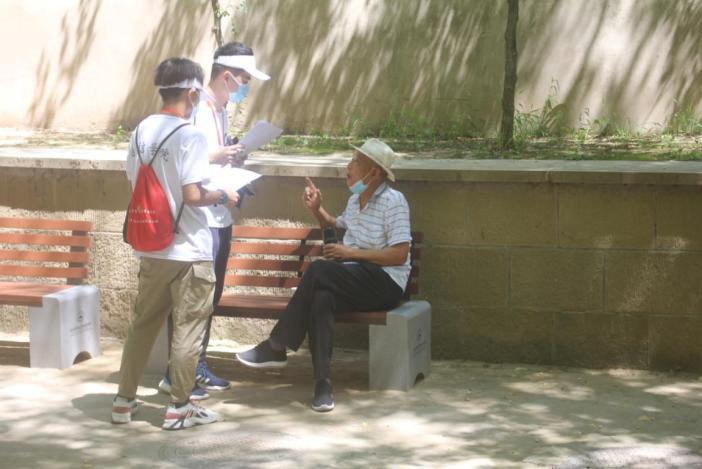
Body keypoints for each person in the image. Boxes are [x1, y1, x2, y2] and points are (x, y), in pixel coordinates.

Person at [236, 138, 411, 412]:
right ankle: (322, 385)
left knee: (318, 269)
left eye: (355, 162)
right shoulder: (355, 200)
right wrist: (317, 209)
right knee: (321, 298)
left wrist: (352, 253)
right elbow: (334, 227)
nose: (348, 167)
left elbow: (400, 254)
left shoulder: (394, 201)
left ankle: (277, 345)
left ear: (374, 172)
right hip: (354, 277)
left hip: (385, 282)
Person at [111, 57, 239, 430]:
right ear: (192, 92)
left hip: (152, 246)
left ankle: (123, 401)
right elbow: (194, 194)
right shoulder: (190, 136)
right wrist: (223, 195)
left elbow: (134, 181)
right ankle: (179, 407)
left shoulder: (140, 131)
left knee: (143, 325)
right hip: (190, 249)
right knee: (188, 328)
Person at [157, 42, 270, 397]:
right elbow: (184, 157)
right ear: (227, 76)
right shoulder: (197, 110)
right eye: (244, 80)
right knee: (192, 299)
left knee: (210, 297)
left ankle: (197, 363)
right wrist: (219, 154)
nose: (245, 87)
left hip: (221, 213)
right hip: (200, 217)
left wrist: (232, 158)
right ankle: (177, 373)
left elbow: (212, 156)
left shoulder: (220, 111)